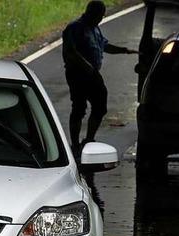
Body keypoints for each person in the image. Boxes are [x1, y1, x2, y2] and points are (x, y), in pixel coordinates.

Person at [62, 0, 137, 160]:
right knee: (79, 107)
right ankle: (75, 143)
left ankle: (89, 138)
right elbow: (70, 51)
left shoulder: (95, 29)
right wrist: (85, 64)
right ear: (91, 13)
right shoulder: (74, 28)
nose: (101, 19)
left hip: (93, 73)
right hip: (77, 73)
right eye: (99, 16)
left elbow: (105, 46)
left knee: (100, 105)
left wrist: (124, 50)